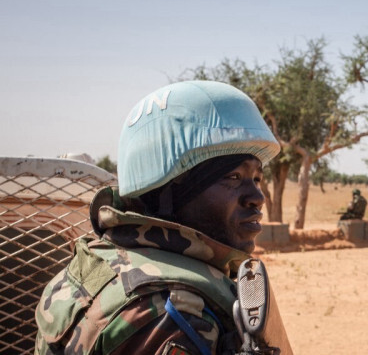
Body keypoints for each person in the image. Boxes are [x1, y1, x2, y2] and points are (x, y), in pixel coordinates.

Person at [34, 81, 281, 355]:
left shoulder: (104, 259)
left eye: (257, 178)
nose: (257, 197)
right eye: (233, 177)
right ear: (170, 191)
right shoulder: (174, 313)